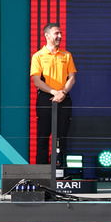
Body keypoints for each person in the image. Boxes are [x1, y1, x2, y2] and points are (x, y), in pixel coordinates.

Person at [30, 22, 76, 170]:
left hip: (64, 99)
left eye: (60, 33)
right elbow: (36, 80)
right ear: (47, 35)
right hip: (45, 99)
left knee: (62, 137)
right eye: (56, 33)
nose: (60, 36)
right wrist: (53, 92)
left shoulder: (66, 55)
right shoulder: (38, 56)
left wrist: (62, 92)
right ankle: (41, 172)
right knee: (43, 136)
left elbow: (72, 78)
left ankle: (62, 170)